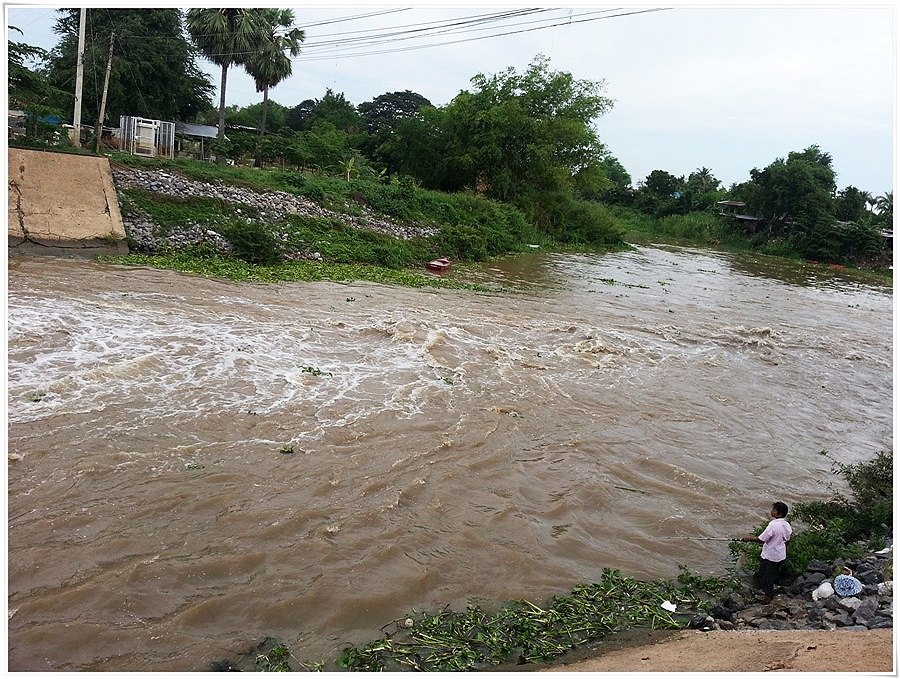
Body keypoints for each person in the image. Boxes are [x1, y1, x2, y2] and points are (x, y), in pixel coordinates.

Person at [740, 501, 792, 599]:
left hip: (771, 555)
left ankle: (767, 594)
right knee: (773, 573)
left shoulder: (773, 525)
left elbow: (761, 539)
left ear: (779, 514)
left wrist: (748, 538)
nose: (771, 511)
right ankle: (769, 590)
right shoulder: (786, 525)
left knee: (766, 574)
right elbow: (787, 539)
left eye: (774, 510)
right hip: (780, 554)